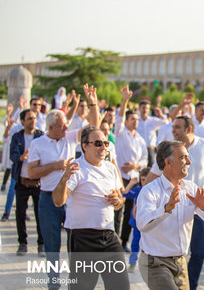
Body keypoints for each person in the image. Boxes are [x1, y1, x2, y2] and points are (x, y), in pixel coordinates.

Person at [145, 116, 204, 289]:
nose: (173, 130)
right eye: (173, 127)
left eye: (177, 127)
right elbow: (152, 177)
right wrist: (143, 198)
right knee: (176, 252)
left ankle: (190, 285)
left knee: (199, 252)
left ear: (189, 129)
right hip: (173, 207)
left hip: (197, 207)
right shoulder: (169, 150)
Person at [27, 84, 97, 290]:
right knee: (52, 245)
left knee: (76, 243)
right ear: (51, 127)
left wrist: (92, 102)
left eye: (67, 124)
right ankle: (53, 284)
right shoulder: (38, 144)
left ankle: (77, 283)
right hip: (47, 200)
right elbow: (31, 173)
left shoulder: (69, 137)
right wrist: (54, 166)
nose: (67, 127)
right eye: (62, 125)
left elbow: (93, 126)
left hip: (70, 198)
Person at [52, 126, 128, 290]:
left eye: (106, 143)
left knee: (120, 285)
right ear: (84, 146)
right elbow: (58, 201)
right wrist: (64, 179)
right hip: (82, 237)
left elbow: (120, 201)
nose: (103, 148)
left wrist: (117, 200)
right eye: (98, 143)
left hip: (109, 235)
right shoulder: (76, 168)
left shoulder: (110, 168)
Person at [136, 141, 204, 290]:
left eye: (187, 157)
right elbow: (142, 224)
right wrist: (166, 209)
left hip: (181, 263)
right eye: (183, 157)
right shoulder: (150, 191)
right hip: (155, 263)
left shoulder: (191, 188)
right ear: (168, 162)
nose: (189, 161)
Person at [114, 85, 148, 251]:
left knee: (129, 213)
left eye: (137, 119)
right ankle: (112, 240)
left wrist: (135, 166)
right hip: (119, 177)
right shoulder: (120, 133)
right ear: (127, 121)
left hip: (133, 178)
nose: (135, 121)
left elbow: (145, 159)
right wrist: (125, 100)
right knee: (116, 211)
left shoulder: (140, 139)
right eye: (132, 119)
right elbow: (119, 119)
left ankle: (123, 242)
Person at [10, 109, 44, 256]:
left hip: (38, 182)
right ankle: (22, 243)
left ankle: (41, 244)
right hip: (22, 181)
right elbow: (12, 154)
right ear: (23, 121)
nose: (33, 121)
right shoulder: (17, 137)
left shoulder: (41, 136)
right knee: (20, 214)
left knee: (40, 214)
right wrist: (21, 157)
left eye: (34, 118)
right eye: (29, 118)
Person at [122, 167, 151, 273]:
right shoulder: (138, 189)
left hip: (150, 223)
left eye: (147, 179)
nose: (145, 182)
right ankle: (133, 263)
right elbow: (124, 193)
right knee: (135, 242)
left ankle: (148, 264)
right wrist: (131, 183)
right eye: (143, 179)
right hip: (137, 222)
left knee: (149, 244)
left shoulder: (155, 190)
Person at [137, 99, 168, 166]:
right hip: (139, 149)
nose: (145, 110)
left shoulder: (152, 120)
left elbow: (166, 123)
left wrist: (160, 114)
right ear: (139, 108)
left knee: (151, 169)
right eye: (143, 108)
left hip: (151, 150)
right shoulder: (136, 121)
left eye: (147, 108)